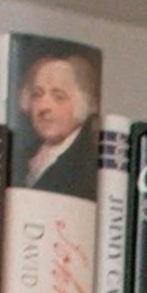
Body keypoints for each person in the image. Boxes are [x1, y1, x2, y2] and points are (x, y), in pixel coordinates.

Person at [16, 46, 99, 197]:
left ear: (83, 102)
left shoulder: (89, 164)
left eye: (59, 97)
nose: (44, 107)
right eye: (37, 94)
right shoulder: (23, 156)